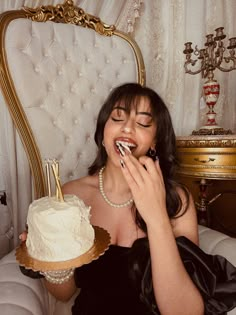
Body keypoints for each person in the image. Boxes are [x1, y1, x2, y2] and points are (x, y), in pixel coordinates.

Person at [20, 83, 236, 315]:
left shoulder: (177, 200)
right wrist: (47, 254)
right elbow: (63, 293)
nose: (127, 128)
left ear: (154, 142)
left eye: (143, 122)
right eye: (117, 118)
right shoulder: (71, 197)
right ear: (103, 133)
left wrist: (157, 218)